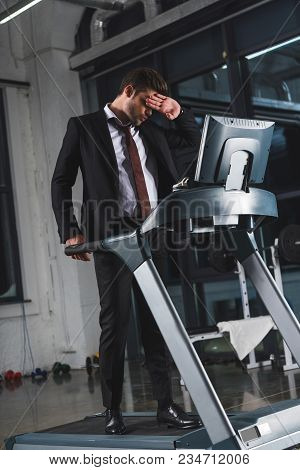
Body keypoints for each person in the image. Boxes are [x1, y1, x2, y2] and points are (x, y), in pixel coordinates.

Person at [51, 67, 201, 435]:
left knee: (157, 323)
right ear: (128, 90)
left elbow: (197, 143)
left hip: (152, 233)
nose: (150, 110)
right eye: (146, 102)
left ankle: (166, 406)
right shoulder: (83, 126)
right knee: (115, 324)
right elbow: (61, 180)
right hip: (112, 237)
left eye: (156, 104)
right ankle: (112, 410)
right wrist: (70, 231)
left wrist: (176, 112)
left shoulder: (152, 128)